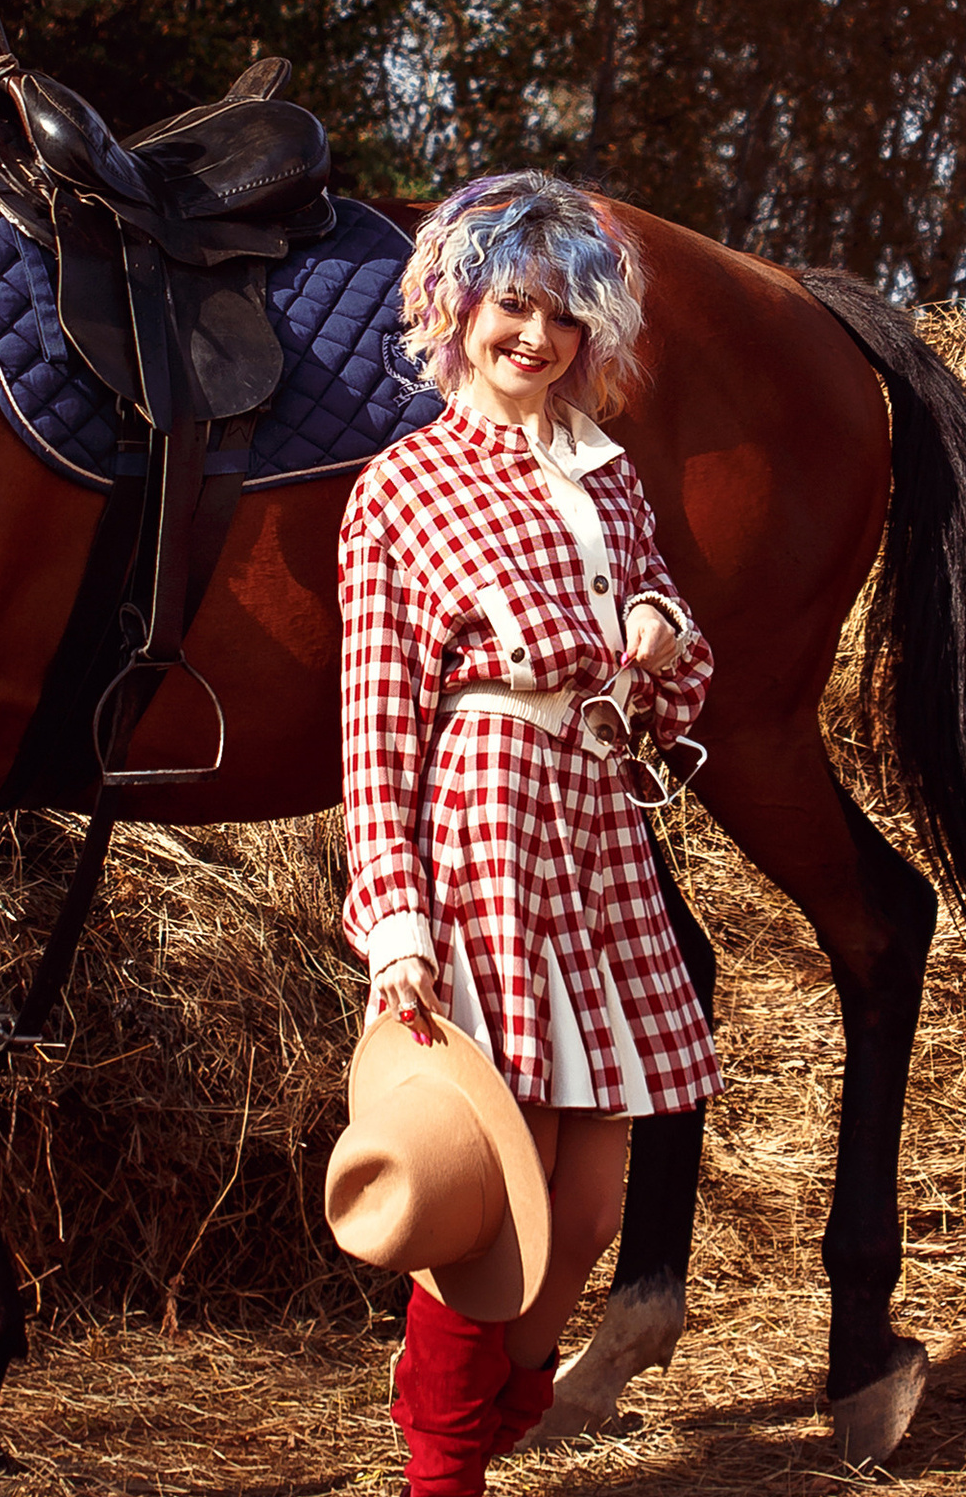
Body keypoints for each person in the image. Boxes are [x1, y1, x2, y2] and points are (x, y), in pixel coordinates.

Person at [339, 172, 720, 1494]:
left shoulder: (609, 479)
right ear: (458, 310)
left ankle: (480, 1410)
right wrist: (396, 921)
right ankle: (445, 1465)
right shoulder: (402, 488)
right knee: (502, 1192)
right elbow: (375, 729)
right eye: (514, 305)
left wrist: (660, 640)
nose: (538, 336)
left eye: (565, 314)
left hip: (598, 826)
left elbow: (679, 670)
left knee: (593, 1206)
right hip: (484, 828)